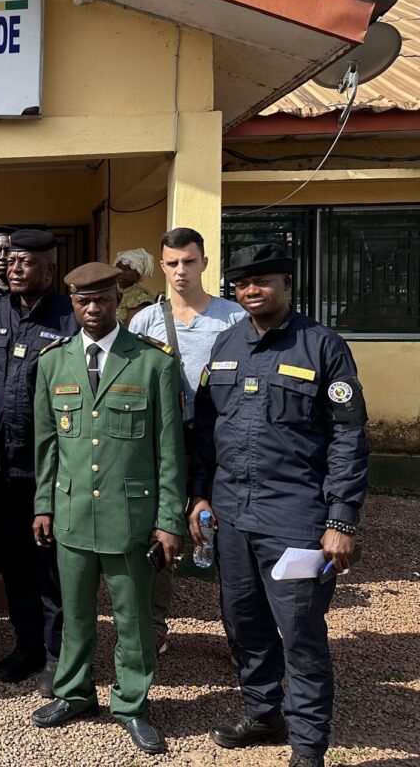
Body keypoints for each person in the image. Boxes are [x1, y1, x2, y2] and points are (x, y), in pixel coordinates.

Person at [190, 244, 369, 767]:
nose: (252, 290)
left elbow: (349, 437)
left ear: (287, 284)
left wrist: (341, 519)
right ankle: (263, 712)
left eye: (263, 280)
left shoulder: (322, 346)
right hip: (231, 514)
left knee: (300, 632)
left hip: (296, 515)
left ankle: (308, 748)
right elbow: (205, 428)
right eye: (242, 283)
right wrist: (199, 494)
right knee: (243, 622)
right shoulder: (227, 344)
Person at [30, 263, 185, 756]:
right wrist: (43, 505)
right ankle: (74, 692)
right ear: (72, 304)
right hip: (72, 512)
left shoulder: (153, 363)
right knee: (75, 615)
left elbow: (169, 451)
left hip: (130, 517)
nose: (93, 309)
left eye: (101, 299)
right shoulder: (52, 362)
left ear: (118, 299)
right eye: (83, 301)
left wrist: (168, 521)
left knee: (133, 620)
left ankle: (132, 704)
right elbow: (47, 445)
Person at [128, 227, 245, 655]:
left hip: (221, 440)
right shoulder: (144, 320)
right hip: (164, 443)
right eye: (173, 263)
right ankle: (155, 625)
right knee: (158, 531)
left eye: (189, 262)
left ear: (204, 263)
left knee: (230, 537)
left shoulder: (233, 317)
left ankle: (242, 636)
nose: (181, 271)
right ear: (162, 266)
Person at [0, 229, 76, 693]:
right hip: (2, 470)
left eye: (26, 262)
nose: (14, 267)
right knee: (16, 564)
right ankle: (27, 645)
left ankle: (59, 654)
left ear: (50, 270)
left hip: (49, 469)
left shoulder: (68, 318)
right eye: (11, 260)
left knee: (52, 569)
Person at [114, 248, 156, 326]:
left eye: (127, 269)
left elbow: (133, 329)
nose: (121, 272)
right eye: (119, 267)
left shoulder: (141, 298)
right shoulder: (113, 291)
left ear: (138, 274)